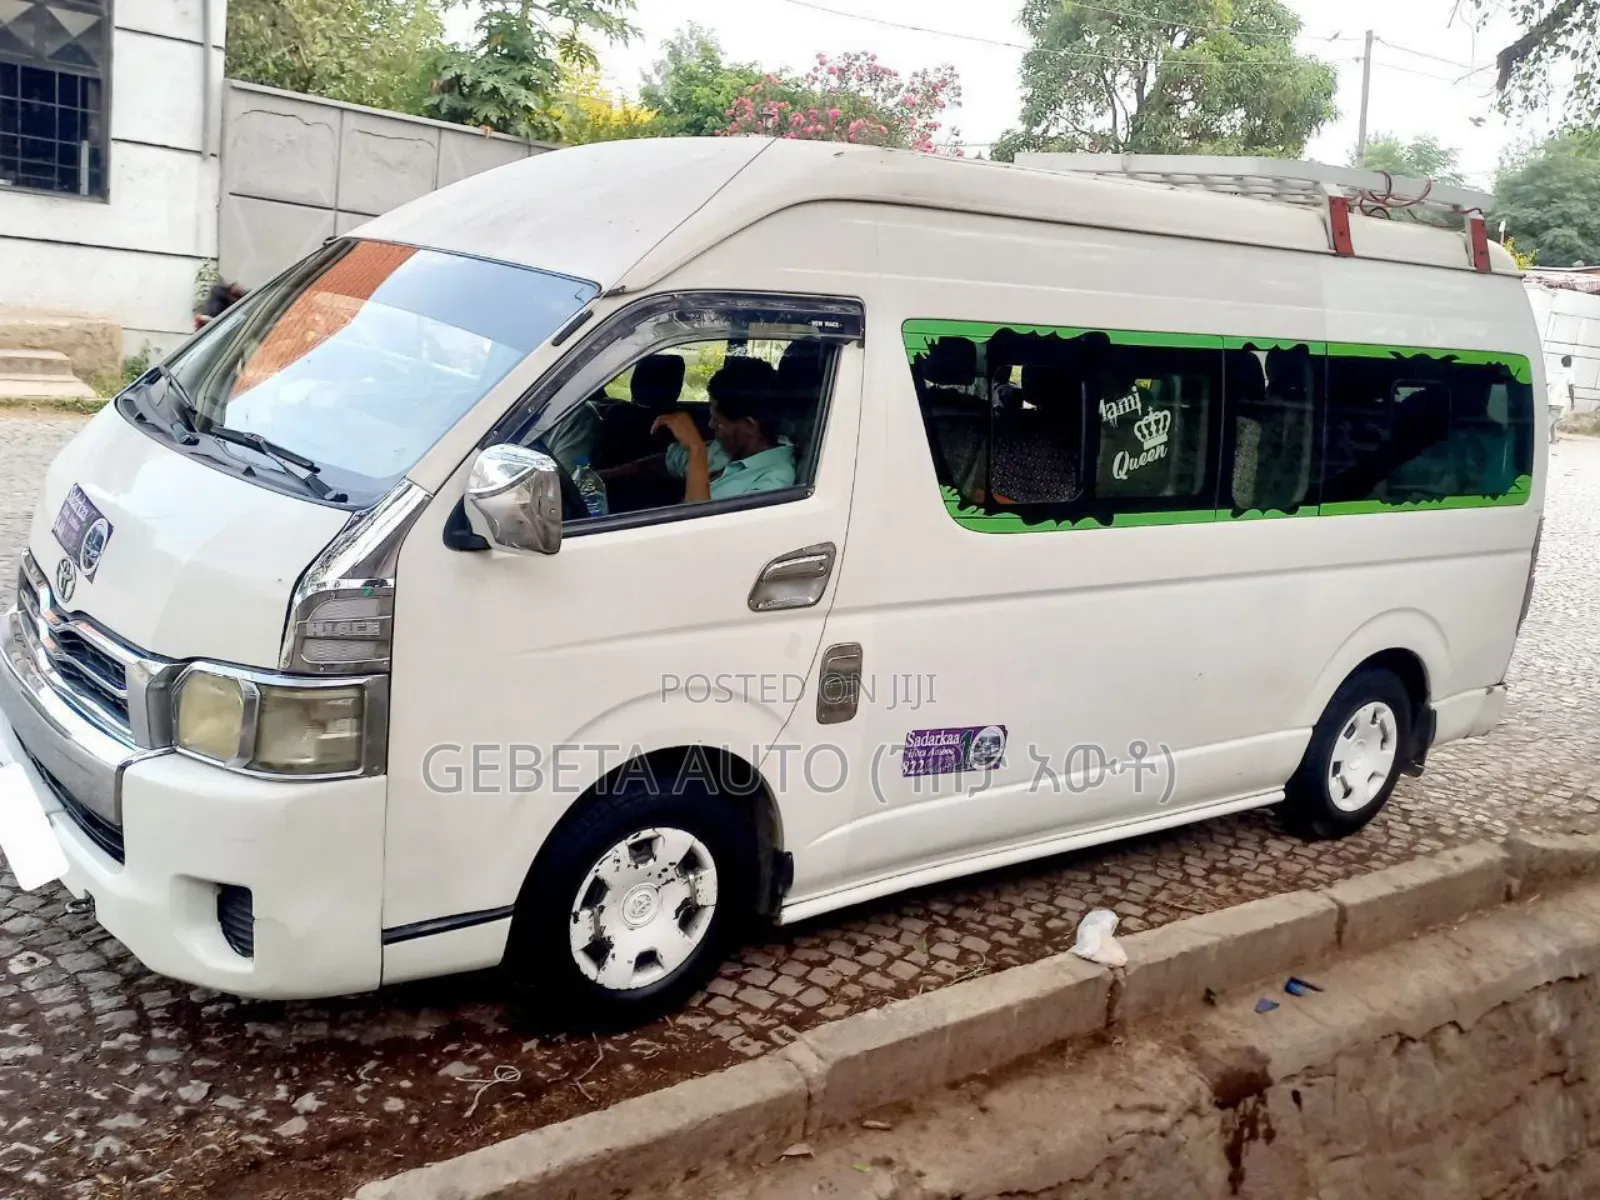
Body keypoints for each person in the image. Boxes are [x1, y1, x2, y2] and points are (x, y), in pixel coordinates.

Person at [648, 356, 796, 503]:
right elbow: (671, 461)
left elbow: (698, 524)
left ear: (749, 426)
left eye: (718, 421)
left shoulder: (775, 480)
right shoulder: (726, 447)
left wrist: (696, 449)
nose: (711, 425)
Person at [1548, 354, 1575, 445]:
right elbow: (1571, 388)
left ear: (1562, 362)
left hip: (1549, 399)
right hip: (1558, 400)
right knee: (1549, 421)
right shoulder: (1570, 372)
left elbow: (1547, 382)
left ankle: (1553, 440)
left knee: (1552, 421)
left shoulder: (1556, 371)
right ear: (1570, 363)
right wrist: (1572, 402)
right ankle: (1537, 438)